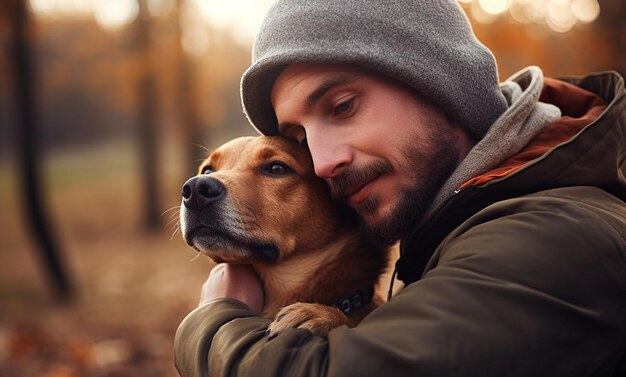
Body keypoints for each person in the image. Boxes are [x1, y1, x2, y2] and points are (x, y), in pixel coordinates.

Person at [174, 0, 626, 375]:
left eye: (343, 106)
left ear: (440, 86)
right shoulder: (449, 224)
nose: (325, 162)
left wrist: (215, 320)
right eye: (302, 140)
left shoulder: (551, 233)